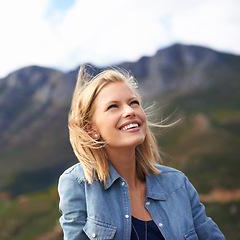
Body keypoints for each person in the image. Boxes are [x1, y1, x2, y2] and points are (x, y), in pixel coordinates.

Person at [58, 66, 225, 239]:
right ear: (91, 128)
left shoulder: (178, 184)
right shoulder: (78, 184)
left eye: (133, 103)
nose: (130, 111)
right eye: (113, 106)